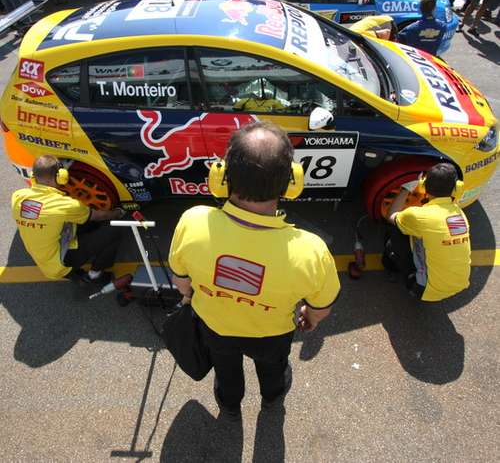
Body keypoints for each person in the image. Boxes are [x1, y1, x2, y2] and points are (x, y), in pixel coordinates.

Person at [168, 122, 341, 418]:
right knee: (273, 370)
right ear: (291, 183)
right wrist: (309, 318)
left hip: (215, 328)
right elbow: (320, 309)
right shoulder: (311, 250)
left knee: (226, 370)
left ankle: (229, 405)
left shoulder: (192, 221)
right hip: (272, 335)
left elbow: (182, 283)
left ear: (222, 176)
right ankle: (271, 399)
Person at [12, 155, 125, 283]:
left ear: (33, 175)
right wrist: (117, 213)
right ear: (60, 177)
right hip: (62, 263)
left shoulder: (17, 197)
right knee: (116, 229)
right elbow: (99, 216)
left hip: (44, 256)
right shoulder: (65, 205)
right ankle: (95, 275)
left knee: (81, 221)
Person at [384, 162, 471, 302]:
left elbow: (391, 215)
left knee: (396, 227)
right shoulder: (459, 213)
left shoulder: (417, 215)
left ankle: (393, 268)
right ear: (455, 188)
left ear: (424, 186)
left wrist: (406, 189)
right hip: (459, 285)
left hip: (424, 290)